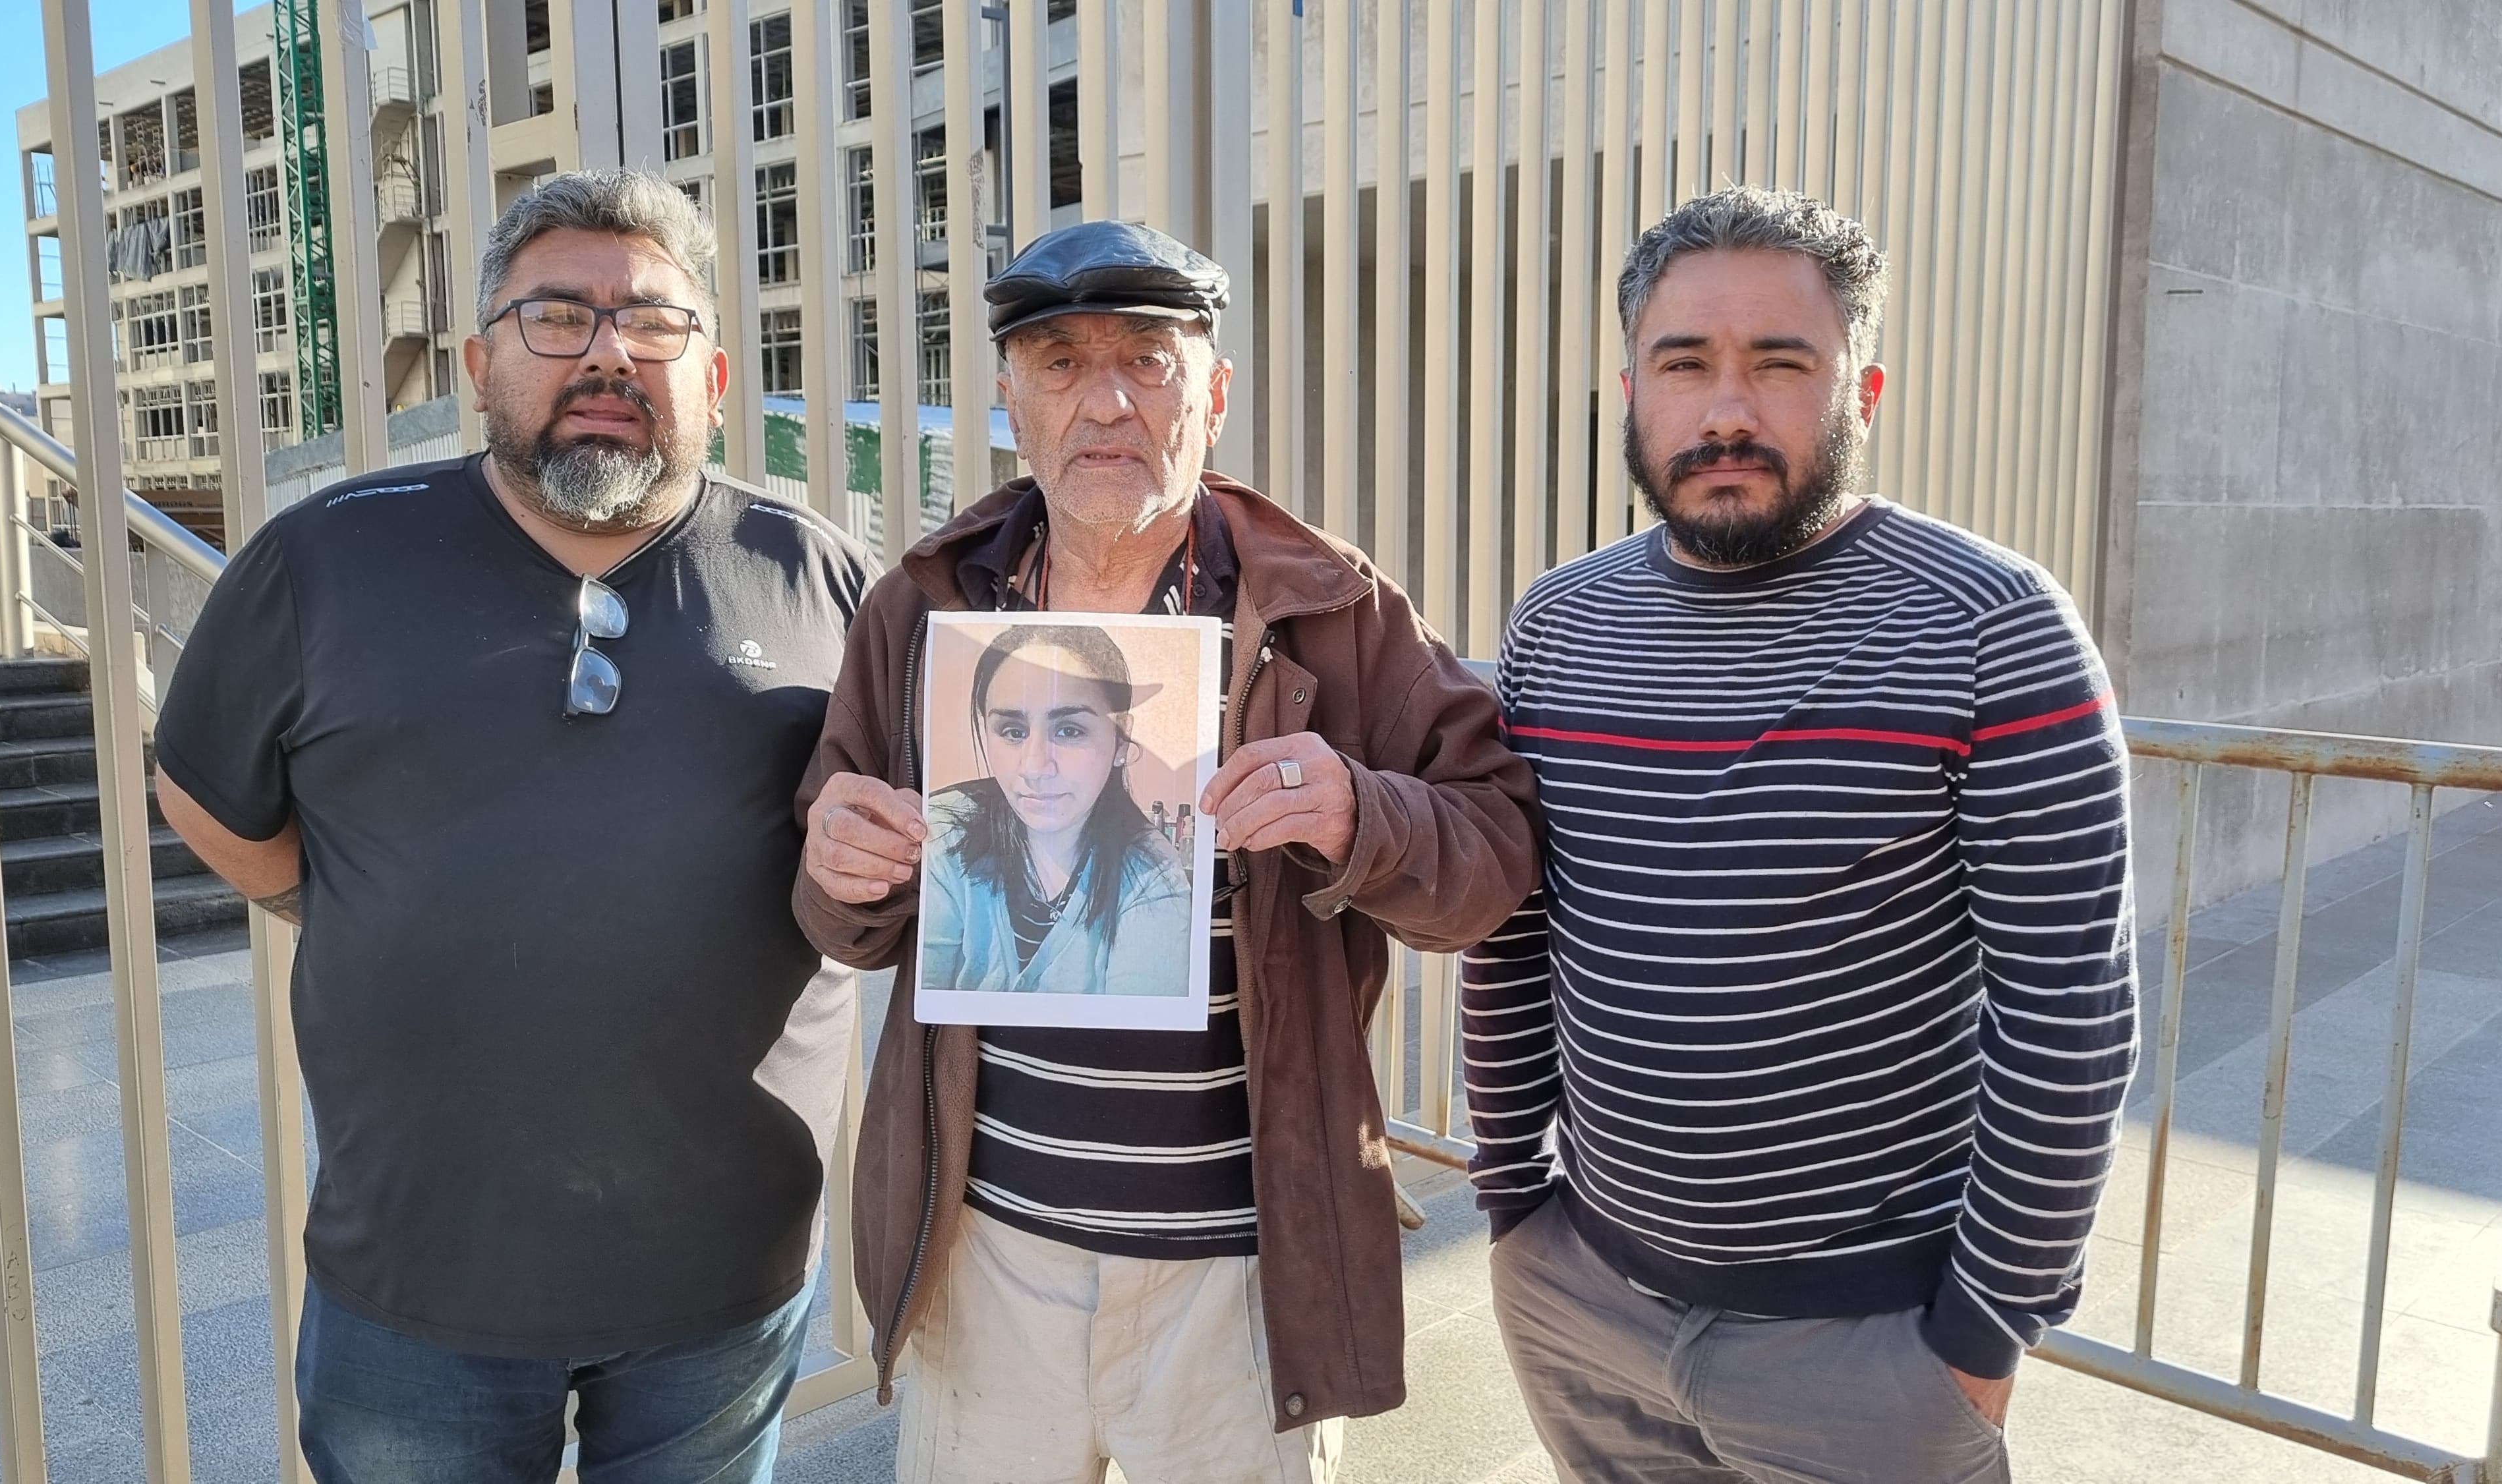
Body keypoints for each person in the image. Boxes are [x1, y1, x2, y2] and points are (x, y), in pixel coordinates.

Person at [154, 169, 875, 1483]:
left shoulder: (821, 576)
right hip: (417, 1278)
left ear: (711, 372)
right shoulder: (322, 560)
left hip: (727, 1275)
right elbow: (205, 794)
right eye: (558, 316)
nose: (607, 352)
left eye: (651, 323)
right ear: (483, 359)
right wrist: (356, 901)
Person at [794, 219, 1540, 1484]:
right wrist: (842, 867)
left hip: (1243, 1264)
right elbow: (842, 910)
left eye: (1148, 360)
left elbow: (1494, 850)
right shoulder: (927, 605)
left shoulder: (1330, 610)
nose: (1107, 401)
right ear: (1008, 395)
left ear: (1215, 391)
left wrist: (1362, 814)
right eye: (1061, 363)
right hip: (989, 1251)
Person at [1464, 185, 2138, 1483]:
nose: (1726, 408)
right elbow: (1512, 940)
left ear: (1859, 389)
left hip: (1869, 1350)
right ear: (1627, 390)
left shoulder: (1991, 625)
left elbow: (2064, 1016)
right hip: (1582, 1299)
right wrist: (1510, 1207)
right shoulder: (1555, 626)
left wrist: (1976, 1336)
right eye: (1684, 364)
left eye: (1779, 363)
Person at [921, 623, 1194, 997]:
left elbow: (1140, 1033)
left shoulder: (1151, 873)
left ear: (1120, 738)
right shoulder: (943, 833)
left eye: (1068, 730)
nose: (1035, 767)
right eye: (1013, 732)